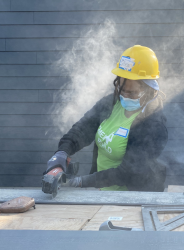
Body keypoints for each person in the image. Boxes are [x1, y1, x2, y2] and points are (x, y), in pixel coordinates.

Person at [44, 45, 168, 192]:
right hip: (101, 193)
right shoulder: (112, 103)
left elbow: (127, 172)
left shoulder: (154, 125)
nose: (125, 96)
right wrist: (62, 153)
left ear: (149, 90)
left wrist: (80, 182)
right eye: (122, 89)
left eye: (132, 93)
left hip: (132, 199)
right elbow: (83, 128)